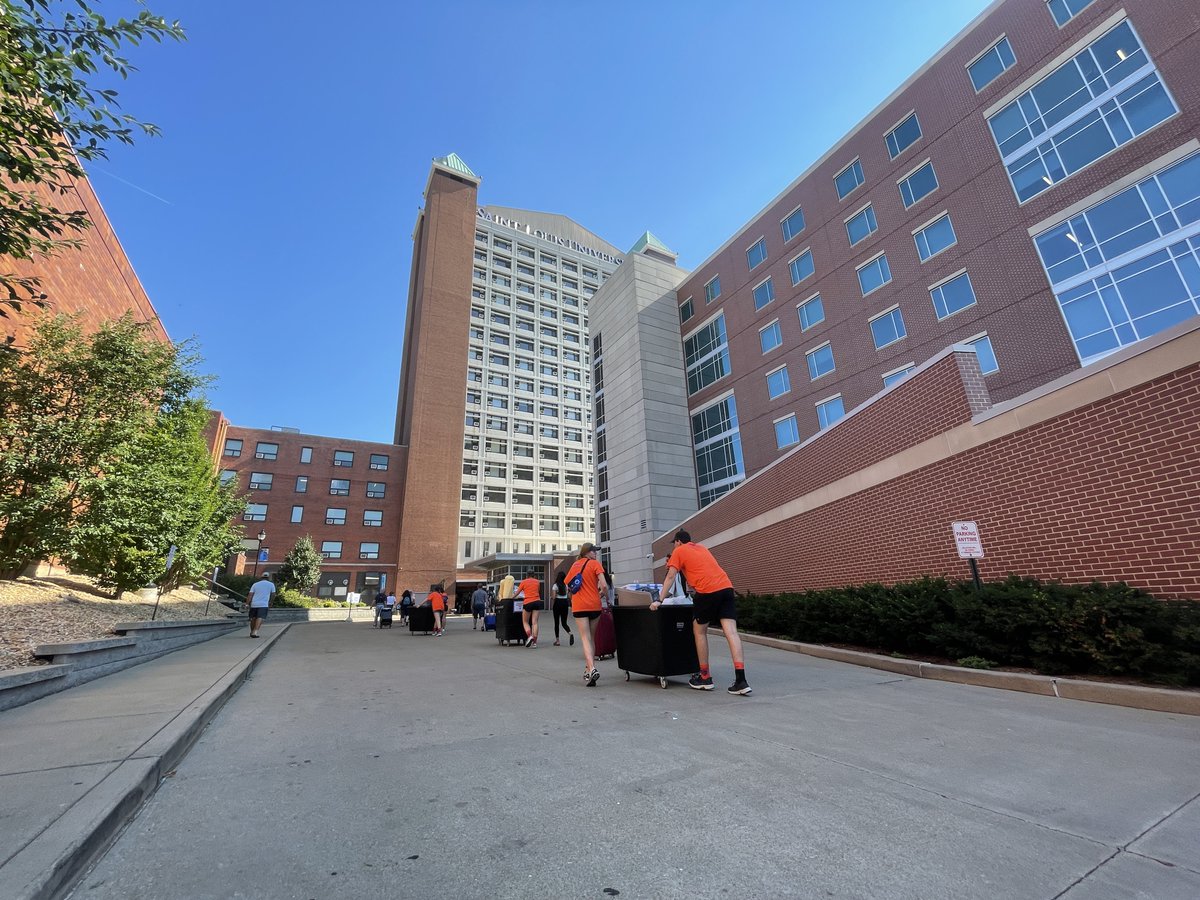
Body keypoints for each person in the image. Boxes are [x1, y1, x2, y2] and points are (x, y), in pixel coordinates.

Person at [650, 530, 751, 695]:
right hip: (726, 588)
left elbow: (670, 577)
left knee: (699, 631)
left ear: (677, 542)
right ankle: (741, 680)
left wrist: (659, 600)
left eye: (674, 543)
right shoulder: (702, 548)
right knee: (732, 632)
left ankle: (705, 677)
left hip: (707, 592)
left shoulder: (679, 551)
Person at [564, 543, 609, 686]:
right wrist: (603, 595)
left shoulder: (575, 565)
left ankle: (591, 668)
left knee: (585, 638)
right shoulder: (595, 564)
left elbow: (568, 586)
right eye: (594, 551)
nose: (596, 554)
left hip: (579, 607)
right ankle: (589, 669)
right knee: (591, 638)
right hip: (594, 606)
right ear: (587, 552)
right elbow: (604, 585)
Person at [515, 574, 543, 648]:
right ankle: (535, 643)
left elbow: (517, 592)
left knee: (525, 621)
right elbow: (538, 591)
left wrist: (511, 597)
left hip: (528, 602)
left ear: (527, 575)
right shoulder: (537, 582)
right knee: (535, 622)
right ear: (534, 575)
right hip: (537, 601)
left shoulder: (524, 582)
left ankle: (529, 636)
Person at [247, 572, 274, 638]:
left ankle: (252, 631)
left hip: (254, 604)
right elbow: (273, 594)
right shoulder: (271, 584)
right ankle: (255, 632)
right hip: (264, 604)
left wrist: (247, 603)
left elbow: (250, 594)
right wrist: (271, 602)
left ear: (261, 577)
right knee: (260, 617)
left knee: (253, 618)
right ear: (268, 578)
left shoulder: (255, 584)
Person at [551, 571, 572, 646]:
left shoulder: (555, 585)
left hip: (557, 603)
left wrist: (553, 595)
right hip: (565, 603)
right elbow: (569, 597)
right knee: (564, 622)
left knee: (556, 623)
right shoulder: (566, 585)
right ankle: (570, 633)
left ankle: (557, 641)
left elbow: (553, 597)